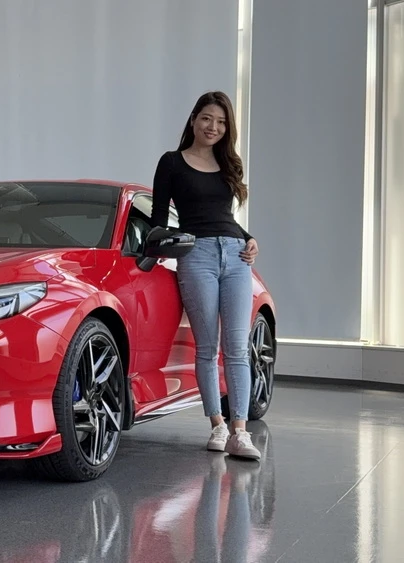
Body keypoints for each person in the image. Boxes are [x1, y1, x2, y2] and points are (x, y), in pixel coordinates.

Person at [150, 91, 261, 460]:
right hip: (196, 256)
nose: (213, 127)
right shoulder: (171, 162)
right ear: (194, 119)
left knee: (237, 348)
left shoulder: (229, 164)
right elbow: (158, 220)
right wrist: (152, 252)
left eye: (222, 122)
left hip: (236, 256)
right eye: (207, 118)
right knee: (207, 347)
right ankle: (217, 424)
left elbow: (223, 217)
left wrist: (248, 237)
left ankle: (240, 432)